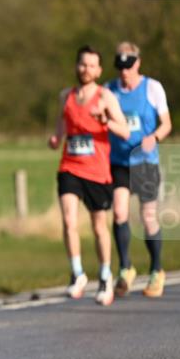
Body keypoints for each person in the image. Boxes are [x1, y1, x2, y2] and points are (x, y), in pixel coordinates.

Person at [48, 45, 129, 306]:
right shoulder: (66, 96)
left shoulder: (106, 97)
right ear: (76, 66)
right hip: (70, 165)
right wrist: (56, 137)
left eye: (92, 66)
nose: (86, 69)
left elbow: (125, 131)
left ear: (99, 70)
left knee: (98, 226)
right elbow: (63, 121)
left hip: (97, 170)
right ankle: (77, 273)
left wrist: (105, 120)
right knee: (69, 220)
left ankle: (105, 276)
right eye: (83, 64)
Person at [106, 42, 172, 298]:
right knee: (119, 212)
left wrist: (154, 137)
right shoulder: (109, 90)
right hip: (119, 161)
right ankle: (125, 268)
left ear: (138, 63)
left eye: (129, 66)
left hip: (145, 161)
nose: (125, 72)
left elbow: (166, 123)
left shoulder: (152, 88)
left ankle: (156, 270)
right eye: (120, 67)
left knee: (147, 217)